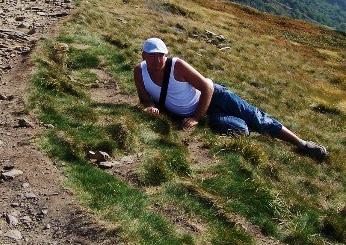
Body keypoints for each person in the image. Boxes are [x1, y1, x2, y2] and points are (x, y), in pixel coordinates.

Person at [133, 37, 328, 161]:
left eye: (161, 56)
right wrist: (149, 106)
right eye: (153, 56)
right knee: (241, 130)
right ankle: (253, 127)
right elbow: (144, 99)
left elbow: (207, 87)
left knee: (255, 116)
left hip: (216, 97)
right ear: (143, 56)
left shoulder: (177, 65)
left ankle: (302, 144)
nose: (158, 60)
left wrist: (196, 118)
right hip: (209, 114)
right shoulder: (139, 71)